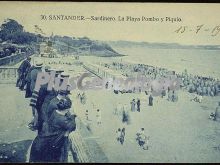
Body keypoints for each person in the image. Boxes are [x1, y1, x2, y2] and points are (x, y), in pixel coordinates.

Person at [29, 98, 76, 162]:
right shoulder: (62, 120)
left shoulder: (54, 112)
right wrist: (73, 115)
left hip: (39, 144)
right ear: (67, 109)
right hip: (45, 149)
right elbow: (72, 126)